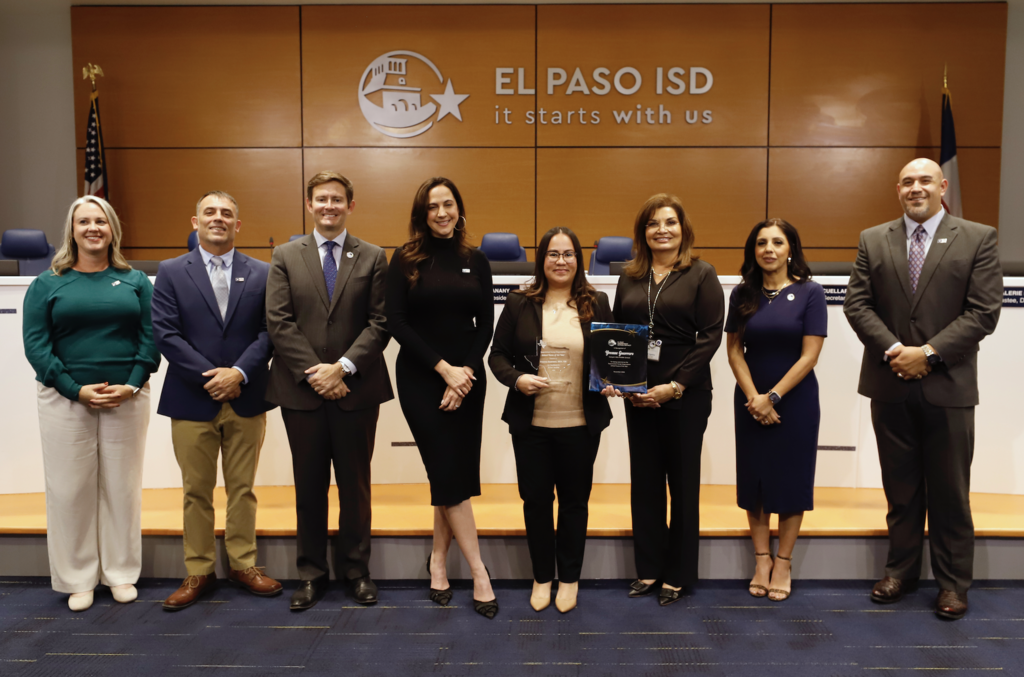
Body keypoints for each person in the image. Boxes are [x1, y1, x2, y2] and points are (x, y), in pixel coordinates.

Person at [844, 158, 1002, 620]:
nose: (916, 188)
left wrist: (928, 354)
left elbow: (983, 312)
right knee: (901, 490)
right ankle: (901, 571)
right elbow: (857, 304)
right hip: (889, 382)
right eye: (908, 181)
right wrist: (897, 350)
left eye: (925, 180)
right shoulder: (873, 238)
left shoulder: (978, 237)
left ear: (942, 186)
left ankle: (952, 585)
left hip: (948, 386)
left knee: (951, 493)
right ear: (898, 189)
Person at [22, 196, 161, 612]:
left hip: (126, 398)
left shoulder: (136, 281)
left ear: (113, 228)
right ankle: (77, 578)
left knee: (122, 487)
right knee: (69, 490)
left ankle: (121, 573)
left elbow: (152, 337)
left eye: (100, 221)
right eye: (84, 221)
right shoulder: (47, 283)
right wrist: (74, 389)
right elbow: (36, 345)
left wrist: (132, 384)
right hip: (64, 399)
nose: (93, 228)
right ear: (72, 229)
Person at [265, 171, 392, 611]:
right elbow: (278, 321)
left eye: (337, 199)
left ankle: (357, 571)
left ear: (350, 206)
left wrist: (341, 369)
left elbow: (380, 322)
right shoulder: (285, 255)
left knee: (355, 486)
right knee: (309, 486)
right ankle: (311, 574)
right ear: (309, 204)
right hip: (300, 393)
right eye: (321, 199)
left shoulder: (373, 256)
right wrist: (315, 373)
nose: (329, 206)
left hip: (357, 390)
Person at [151, 191, 281, 611]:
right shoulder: (171, 271)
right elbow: (166, 333)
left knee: (243, 489)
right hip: (192, 397)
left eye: (226, 213)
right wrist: (213, 378)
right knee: (196, 491)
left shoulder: (263, 272)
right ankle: (199, 570)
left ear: (237, 225)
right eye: (210, 212)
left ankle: (244, 564)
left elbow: (270, 331)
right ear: (196, 222)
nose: (218, 218)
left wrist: (238, 373)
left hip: (247, 395)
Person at [603, 193, 724, 607]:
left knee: (683, 485)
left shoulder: (701, 273)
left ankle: (678, 573)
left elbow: (710, 336)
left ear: (682, 229)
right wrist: (625, 385)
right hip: (639, 395)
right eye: (653, 223)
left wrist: (675, 386)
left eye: (669, 222)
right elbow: (619, 334)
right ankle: (649, 567)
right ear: (643, 232)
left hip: (685, 395)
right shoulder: (629, 276)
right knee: (646, 483)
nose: (662, 230)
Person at [385, 177, 498, 619]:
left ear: (458, 208)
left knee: (451, 475)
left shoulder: (476, 259)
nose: (441, 213)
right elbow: (397, 322)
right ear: (422, 214)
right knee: (448, 472)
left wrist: (464, 372)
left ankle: (437, 562)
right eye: (432, 207)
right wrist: (444, 369)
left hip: (468, 379)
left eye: (447, 204)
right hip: (421, 378)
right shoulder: (405, 258)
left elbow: (485, 324)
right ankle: (479, 572)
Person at [488, 227, 612, 614]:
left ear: (579, 259)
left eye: (568, 254)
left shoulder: (597, 302)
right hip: (532, 426)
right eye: (553, 254)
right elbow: (497, 355)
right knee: (536, 503)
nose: (561, 261)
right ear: (541, 260)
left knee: (575, 503)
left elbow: (611, 357)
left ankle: (569, 579)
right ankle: (542, 577)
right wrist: (517, 379)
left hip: (581, 424)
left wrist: (613, 380)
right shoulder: (519, 302)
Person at [724, 219, 827, 602]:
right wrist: (755, 398)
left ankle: (783, 562)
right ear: (753, 250)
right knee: (755, 480)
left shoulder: (810, 292)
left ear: (790, 249)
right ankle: (761, 560)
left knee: (791, 480)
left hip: (795, 401)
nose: (769, 249)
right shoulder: (742, 293)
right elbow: (734, 351)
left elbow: (810, 356)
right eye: (761, 243)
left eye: (777, 242)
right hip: (750, 400)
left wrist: (773, 398)